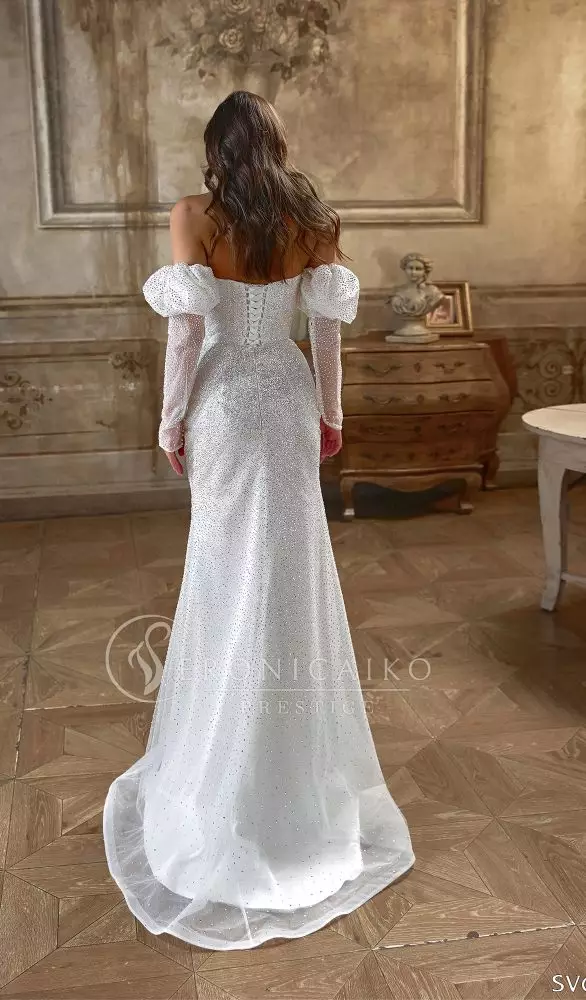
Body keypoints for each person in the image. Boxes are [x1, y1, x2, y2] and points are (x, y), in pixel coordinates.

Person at [103, 90, 414, 951]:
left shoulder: (194, 216)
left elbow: (186, 334)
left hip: (224, 406)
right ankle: (292, 783)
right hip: (285, 398)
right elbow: (328, 337)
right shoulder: (315, 220)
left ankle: (224, 769)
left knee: (222, 570)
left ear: (217, 149)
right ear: (277, 144)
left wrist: (170, 422)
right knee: (290, 573)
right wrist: (331, 416)